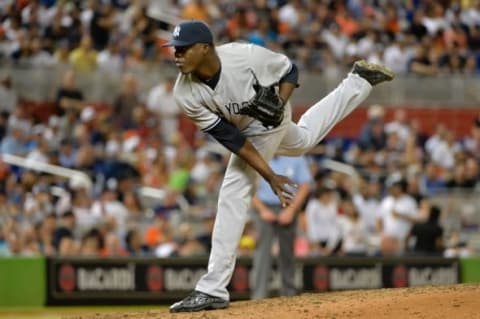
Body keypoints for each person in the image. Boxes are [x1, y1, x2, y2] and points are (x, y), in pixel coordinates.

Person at [166, 20, 394, 312]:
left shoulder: (244, 56)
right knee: (303, 141)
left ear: (205, 48)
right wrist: (270, 175)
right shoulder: (184, 93)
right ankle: (359, 81)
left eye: (183, 49)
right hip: (246, 132)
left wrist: (280, 102)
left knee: (233, 191)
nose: (177, 55)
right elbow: (233, 139)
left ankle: (213, 288)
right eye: (175, 49)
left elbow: (289, 70)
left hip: (270, 117)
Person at [250, 155, 311, 300]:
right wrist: (262, 210)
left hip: (289, 207)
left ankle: (289, 294)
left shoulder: (295, 156)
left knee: (287, 253)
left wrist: (291, 210)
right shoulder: (259, 155)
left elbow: (305, 185)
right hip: (264, 208)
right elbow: (248, 187)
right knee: (262, 254)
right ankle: (259, 296)